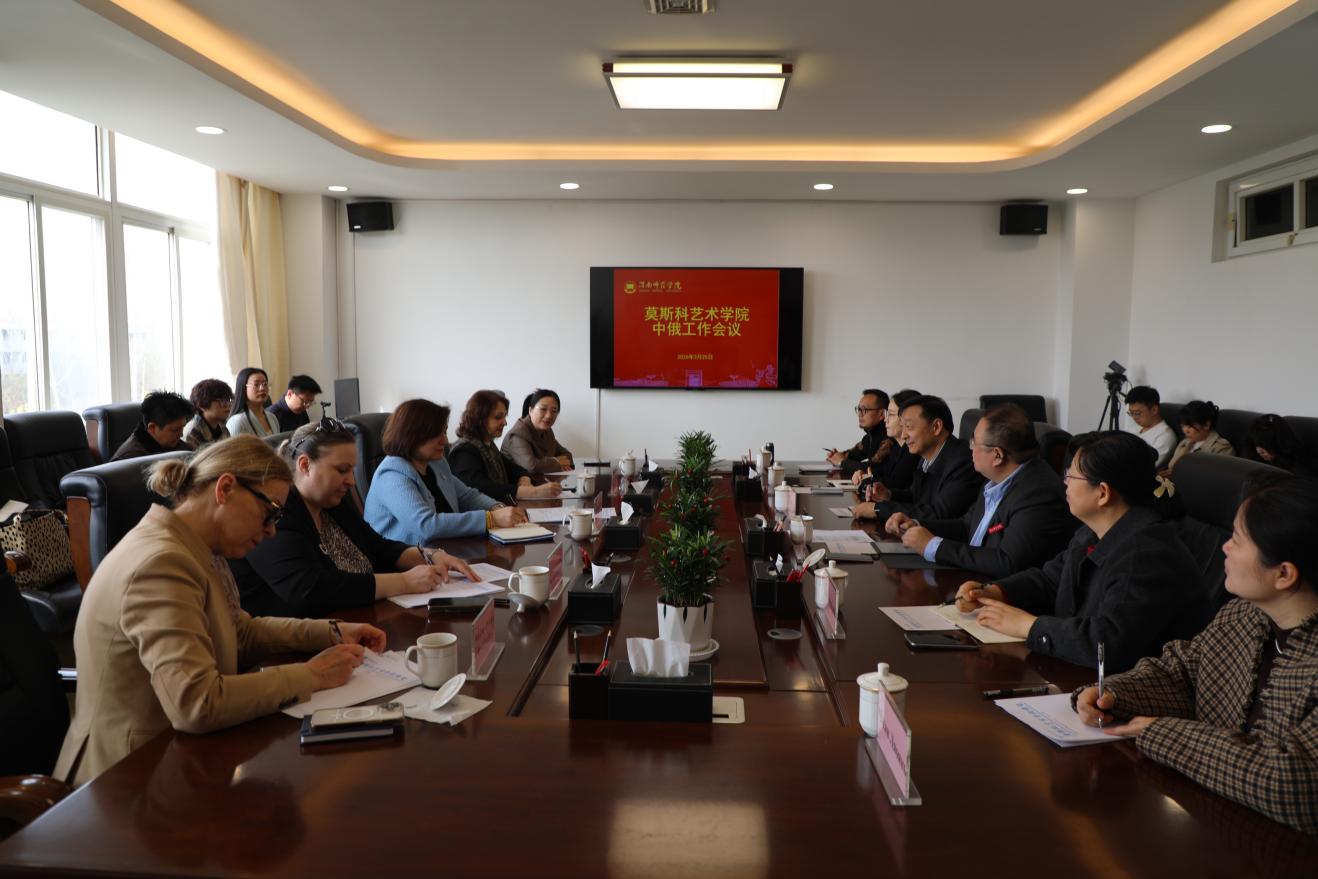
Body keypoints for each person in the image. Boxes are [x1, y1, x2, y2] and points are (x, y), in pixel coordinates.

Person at [53, 436, 386, 786]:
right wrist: (312, 675)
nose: (272, 530)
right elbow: (197, 702)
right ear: (225, 489)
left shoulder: (198, 547)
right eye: (270, 512)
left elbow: (239, 631)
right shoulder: (161, 564)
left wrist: (330, 632)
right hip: (126, 778)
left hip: (177, 755)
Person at [1074, 474, 1318, 835]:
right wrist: (1113, 693)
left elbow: (1296, 788)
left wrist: (1162, 733)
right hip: (1216, 822)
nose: (1224, 547)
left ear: (1284, 574)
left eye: (1237, 539)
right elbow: (1183, 674)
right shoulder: (1243, 615)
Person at [955, 431, 1212, 672]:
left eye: (1071, 475)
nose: (1064, 482)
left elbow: (1107, 644)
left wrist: (1028, 626)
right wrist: (994, 591)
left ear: (1102, 493)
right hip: (1082, 675)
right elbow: (1050, 580)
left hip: (1131, 690)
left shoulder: (1147, 553)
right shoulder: (1093, 532)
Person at [232, 419, 480, 618]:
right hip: (298, 645)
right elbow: (310, 589)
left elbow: (378, 547)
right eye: (342, 470)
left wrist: (431, 555)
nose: (351, 480)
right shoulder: (278, 511)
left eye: (352, 469)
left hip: (361, 620)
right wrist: (404, 582)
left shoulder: (331, 503)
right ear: (305, 465)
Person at [885, 404, 1075, 578]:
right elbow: (967, 526)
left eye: (974, 442)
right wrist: (916, 525)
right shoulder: (995, 479)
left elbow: (1007, 562)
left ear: (997, 455)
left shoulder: (1038, 493)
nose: (970, 448)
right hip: (971, 580)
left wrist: (933, 545)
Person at [365, 398, 528, 543]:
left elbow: (467, 496)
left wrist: (496, 508)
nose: (445, 440)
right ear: (410, 436)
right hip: (410, 561)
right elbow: (426, 525)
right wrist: (490, 519)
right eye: (436, 434)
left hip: (447, 548)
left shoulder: (436, 462)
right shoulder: (392, 475)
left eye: (444, 431)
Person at [854, 395, 982, 524]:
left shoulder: (963, 462)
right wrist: (888, 495)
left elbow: (939, 513)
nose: (903, 435)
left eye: (909, 427)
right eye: (902, 427)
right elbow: (915, 496)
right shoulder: (927, 456)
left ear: (936, 427)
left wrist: (878, 510)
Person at [449, 390, 563, 503]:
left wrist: (524, 478)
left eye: (504, 417)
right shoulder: (464, 451)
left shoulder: (488, 445)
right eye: (498, 417)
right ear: (479, 418)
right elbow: (484, 488)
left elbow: (516, 469)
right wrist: (535, 492)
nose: (505, 422)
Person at [854, 388, 922, 492]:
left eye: (891, 414)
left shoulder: (913, 451)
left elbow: (897, 484)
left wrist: (868, 480)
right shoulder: (897, 447)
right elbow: (885, 472)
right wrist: (864, 474)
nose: (885, 420)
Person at [502, 389, 573, 477]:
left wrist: (553, 463)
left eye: (554, 411)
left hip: (539, 481)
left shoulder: (547, 431)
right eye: (543, 409)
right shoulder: (518, 434)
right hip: (517, 483)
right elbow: (531, 467)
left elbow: (568, 456)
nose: (549, 415)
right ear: (530, 410)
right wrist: (557, 462)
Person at [110, 390, 194, 461]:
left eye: (182, 427)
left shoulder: (177, 445)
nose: (181, 435)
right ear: (152, 428)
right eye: (175, 430)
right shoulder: (129, 458)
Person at [1161, 399, 1234, 478]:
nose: (1185, 431)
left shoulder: (1222, 448)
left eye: (1189, 426)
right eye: (1183, 426)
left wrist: (1178, 473)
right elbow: (1171, 467)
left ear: (1206, 425)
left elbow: (1215, 478)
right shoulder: (1185, 442)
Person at [825, 389, 888, 476]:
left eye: (864, 409)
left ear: (881, 414)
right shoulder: (869, 437)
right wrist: (837, 455)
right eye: (859, 409)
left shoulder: (889, 437)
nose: (859, 414)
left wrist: (841, 461)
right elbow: (853, 455)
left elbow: (872, 468)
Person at [1125, 385, 1176, 471]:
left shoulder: (1165, 436)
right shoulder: (1135, 428)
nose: (1134, 418)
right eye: (1131, 413)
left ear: (1154, 410)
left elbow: (1146, 467)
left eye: (1137, 413)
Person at [1248, 414, 1318, 477]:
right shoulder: (1256, 457)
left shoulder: (1300, 468)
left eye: (1264, 445)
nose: (1258, 451)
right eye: (1257, 444)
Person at [227, 367, 277, 438]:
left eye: (265, 384)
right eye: (256, 384)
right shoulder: (237, 422)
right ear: (243, 388)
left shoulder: (272, 417)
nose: (262, 388)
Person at [184, 379, 234, 450]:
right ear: (202, 405)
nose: (228, 405)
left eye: (229, 400)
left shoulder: (222, 426)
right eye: (222, 401)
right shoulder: (193, 433)